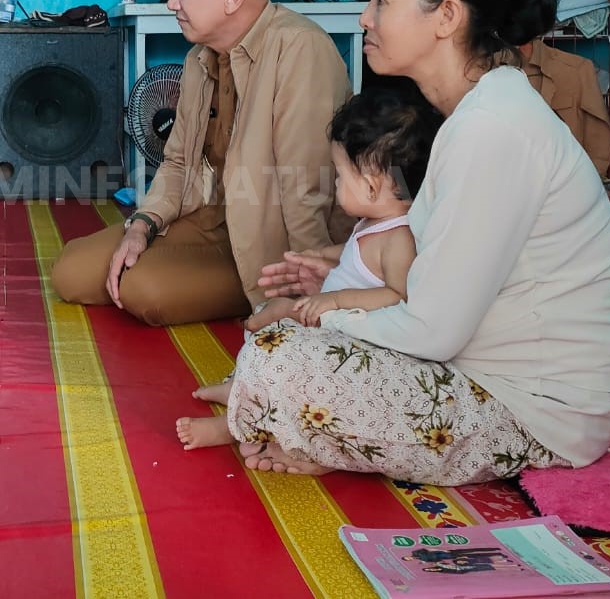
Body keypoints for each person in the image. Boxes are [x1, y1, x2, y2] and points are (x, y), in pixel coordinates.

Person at [221, 0, 610, 484]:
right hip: (476, 366)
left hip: (536, 410)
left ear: (446, 17)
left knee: (284, 356)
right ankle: (322, 436)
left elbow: (434, 332)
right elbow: (440, 279)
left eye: (381, 0)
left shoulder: (493, 130)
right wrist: (348, 284)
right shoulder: (478, 114)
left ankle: (322, 437)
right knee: (281, 342)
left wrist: (324, 315)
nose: (364, 17)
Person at [49, 0, 352, 326]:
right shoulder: (199, 58)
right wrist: (143, 224)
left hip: (271, 248)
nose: (171, 2)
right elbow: (176, 162)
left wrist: (307, 294)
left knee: (143, 290)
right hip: (211, 218)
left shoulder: (300, 48)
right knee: (71, 271)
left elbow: (306, 186)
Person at [176, 90, 440, 451]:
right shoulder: (372, 222)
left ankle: (234, 426)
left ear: (372, 185)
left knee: (280, 342)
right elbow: (355, 254)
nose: (334, 184)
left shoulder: (399, 239)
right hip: (329, 322)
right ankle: (242, 386)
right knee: (266, 320)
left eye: (340, 176)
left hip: (353, 341)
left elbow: (398, 294)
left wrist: (335, 300)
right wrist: (323, 254)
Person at [516, 0, 610, 175]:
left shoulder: (576, 71)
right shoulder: (484, 72)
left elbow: (600, 140)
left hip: (564, 186)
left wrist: (586, 184)